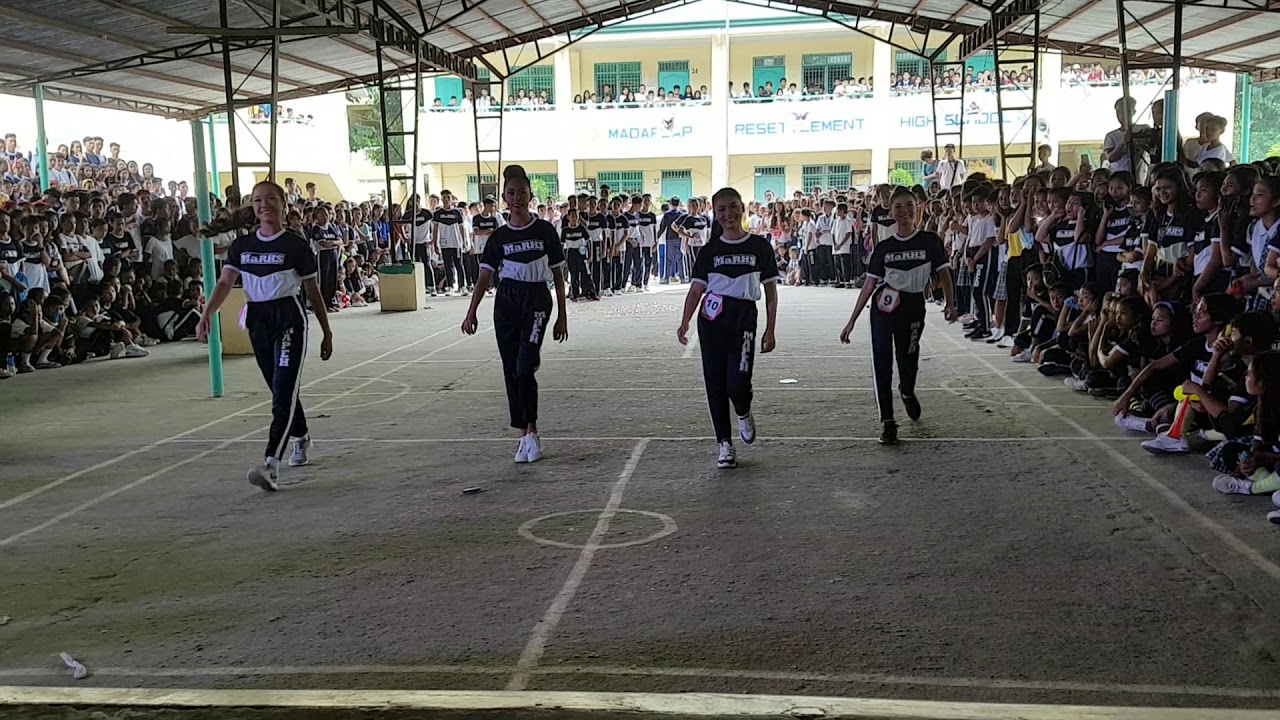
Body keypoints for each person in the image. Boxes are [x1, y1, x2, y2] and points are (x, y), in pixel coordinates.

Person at [197, 180, 334, 491]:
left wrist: (326, 331)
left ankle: (271, 463)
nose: (264, 205)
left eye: (271, 199)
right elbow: (224, 283)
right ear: (253, 206)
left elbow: (313, 291)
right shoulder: (242, 246)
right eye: (258, 200)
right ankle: (301, 435)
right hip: (258, 319)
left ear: (283, 204)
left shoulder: (296, 246)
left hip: (289, 319)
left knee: (283, 390)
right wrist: (207, 314)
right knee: (278, 388)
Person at [462, 165, 569, 464]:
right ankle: (523, 435)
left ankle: (533, 430)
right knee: (511, 369)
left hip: (536, 300)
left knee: (524, 368)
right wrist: (471, 312)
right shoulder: (498, 238)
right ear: (504, 198)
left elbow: (559, 275)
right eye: (511, 193)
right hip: (507, 301)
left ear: (530, 195)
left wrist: (562, 316)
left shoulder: (545, 231)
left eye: (522, 192)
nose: (517, 198)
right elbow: (484, 278)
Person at [840, 186, 958, 445]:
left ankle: (907, 391)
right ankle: (888, 421)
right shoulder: (884, 248)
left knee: (908, 359)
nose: (904, 211)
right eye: (898, 207)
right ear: (890, 212)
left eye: (909, 206)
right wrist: (852, 321)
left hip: (913, 306)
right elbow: (869, 285)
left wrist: (950, 303)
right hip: (884, 306)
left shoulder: (930, 241)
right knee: (882, 361)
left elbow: (945, 273)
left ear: (918, 209)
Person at [677, 186, 779, 469]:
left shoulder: (760, 247)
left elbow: (771, 293)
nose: (728, 214)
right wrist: (685, 321)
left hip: (744, 317)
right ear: (715, 213)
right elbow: (696, 290)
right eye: (721, 209)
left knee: (738, 382)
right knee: (715, 383)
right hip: (712, 320)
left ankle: (743, 411)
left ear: (742, 208)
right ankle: (724, 443)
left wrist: (770, 329)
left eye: (733, 207)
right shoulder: (709, 251)